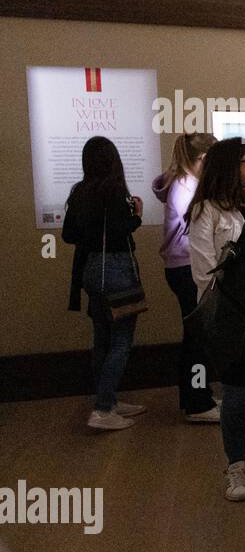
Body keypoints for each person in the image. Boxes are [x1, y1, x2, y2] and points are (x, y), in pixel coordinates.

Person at [185, 138, 245, 501]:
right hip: (234, 317)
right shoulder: (208, 211)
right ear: (234, 168)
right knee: (236, 395)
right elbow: (204, 273)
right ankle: (236, 466)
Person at [62, 137, 146, 431]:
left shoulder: (80, 191)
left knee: (102, 339)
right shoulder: (114, 190)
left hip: (91, 270)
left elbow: (68, 235)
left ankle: (107, 398)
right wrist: (136, 215)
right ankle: (103, 408)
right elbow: (123, 230)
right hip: (117, 269)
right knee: (122, 339)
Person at [153, 132, 220, 422]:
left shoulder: (182, 183)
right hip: (186, 268)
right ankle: (197, 402)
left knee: (195, 336)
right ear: (204, 159)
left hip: (179, 267)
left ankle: (196, 396)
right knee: (198, 337)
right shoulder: (186, 187)